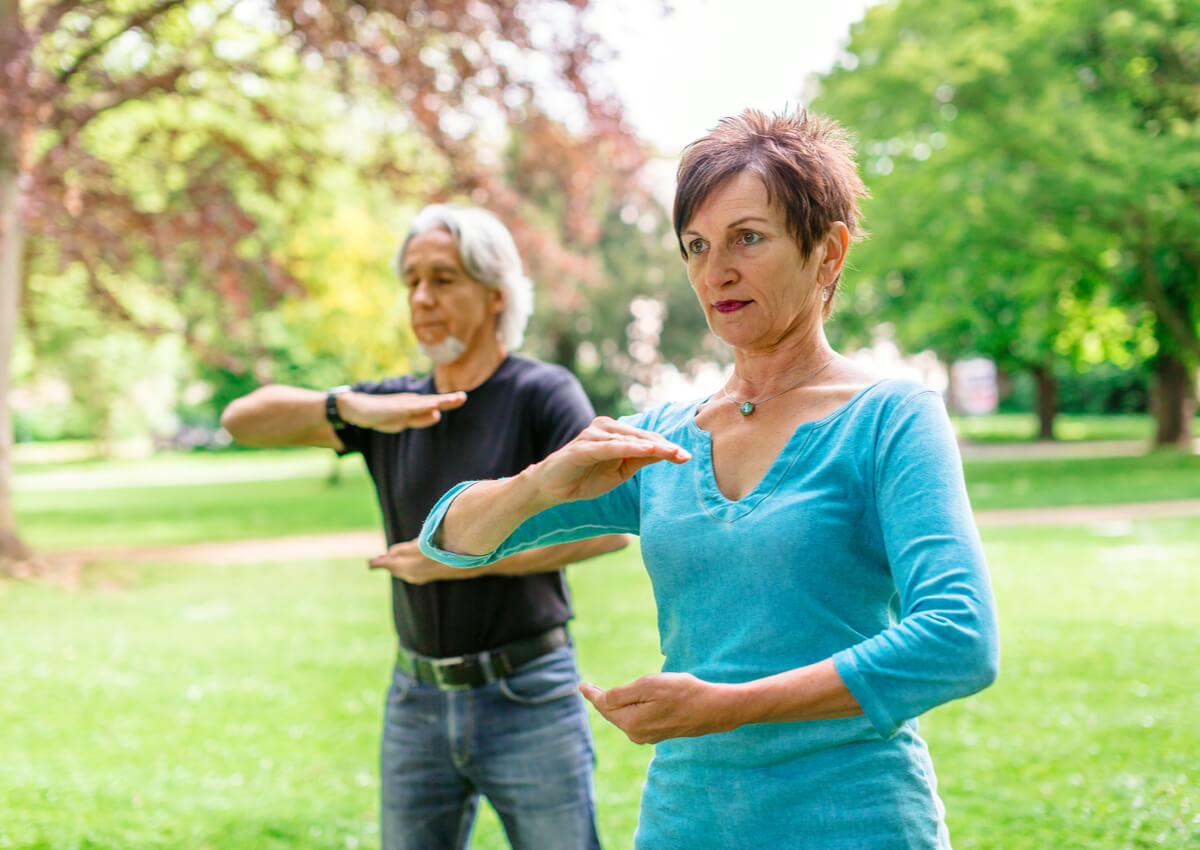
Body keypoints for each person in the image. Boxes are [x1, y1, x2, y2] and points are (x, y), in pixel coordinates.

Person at [417, 110, 1001, 849]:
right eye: (696, 245)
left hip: (855, 822)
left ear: (827, 252)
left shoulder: (890, 419)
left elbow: (959, 639)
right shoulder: (661, 439)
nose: (714, 271)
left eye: (747, 238)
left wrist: (728, 706)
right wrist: (540, 481)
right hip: (685, 825)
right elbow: (449, 540)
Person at [220, 203, 629, 850]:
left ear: (495, 293)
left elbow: (608, 529)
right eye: (411, 280)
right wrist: (346, 406)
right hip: (416, 697)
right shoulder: (390, 406)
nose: (421, 297)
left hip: (528, 694)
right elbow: (241, 420)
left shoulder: (542, 394)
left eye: (443, 279)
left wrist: (460, 558)